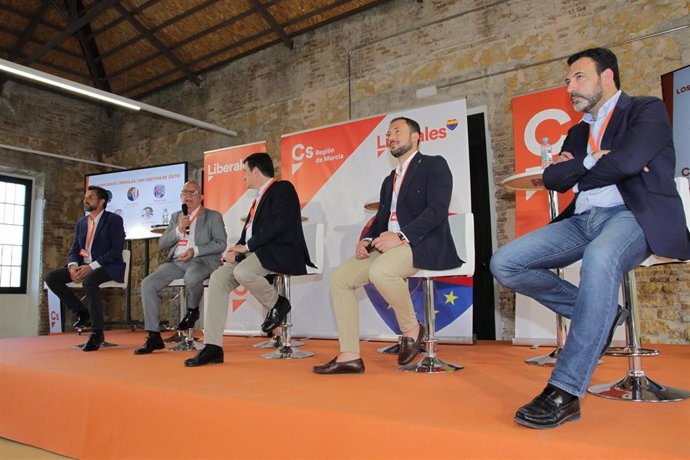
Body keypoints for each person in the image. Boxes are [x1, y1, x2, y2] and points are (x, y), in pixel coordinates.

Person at [490, 47, 690, 429]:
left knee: (599, 257)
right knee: (506, 262)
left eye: (578, 77)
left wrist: (586, 169)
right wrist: (597, 159)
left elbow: (628, 163)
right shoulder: (578, 131)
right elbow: (554, 179)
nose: (570, 87)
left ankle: (564, 392)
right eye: (568, 81)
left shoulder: (645, 111)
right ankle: (604, 314)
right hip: (582, 219)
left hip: (632, 216)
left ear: (608, 76)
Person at [313, 117, 462, 375]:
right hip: (388, 246)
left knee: (380, 272)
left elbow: (437, 210)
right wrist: (368, 240)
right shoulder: (388, 180)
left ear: (416, 136)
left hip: (421, 243)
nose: (391, 136)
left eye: (397, 131)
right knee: (339, 278)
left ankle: (412, 330)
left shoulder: (434, 164)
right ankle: (349, 356)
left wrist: (402, 236)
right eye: (388, 133)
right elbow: (380, 219)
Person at [184, 152, 313, 367]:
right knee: (217, 279)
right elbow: (251, 233)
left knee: (243, 272)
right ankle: (213, 347)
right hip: (255, 253)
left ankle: (278, 303)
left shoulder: (283, 188)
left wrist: (247, 247)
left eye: (245, 171)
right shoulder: (257, 198)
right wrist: (237, 249)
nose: (243, 176)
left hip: (279, 250)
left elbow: (279, 225)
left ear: (255, 171)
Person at [135, 180, 227, 354]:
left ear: (201, 197)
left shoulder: (213, 216)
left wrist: (196, 250)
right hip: (176, 262)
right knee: (148, 283)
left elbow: (221, 243)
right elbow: (162, 243)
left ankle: (193, 311)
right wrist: (178, 229)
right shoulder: (176, 216)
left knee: (191, 278)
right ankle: (154, 335)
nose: (188, 196)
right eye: (184, 192)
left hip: (202, 260)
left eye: (192, 192)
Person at [45, 186, 126, 352]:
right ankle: (81, 311)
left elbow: (116, 251)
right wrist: (73, 266)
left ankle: (97, 333)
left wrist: (91, 267)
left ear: (101, 202)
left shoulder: (113, 220)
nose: (85, 200)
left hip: (107, 266)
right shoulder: (81, 223)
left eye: (90, 197)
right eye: (85, 197)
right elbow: (74, 250)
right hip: (83, 265)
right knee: (52, 277)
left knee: (89, 280)